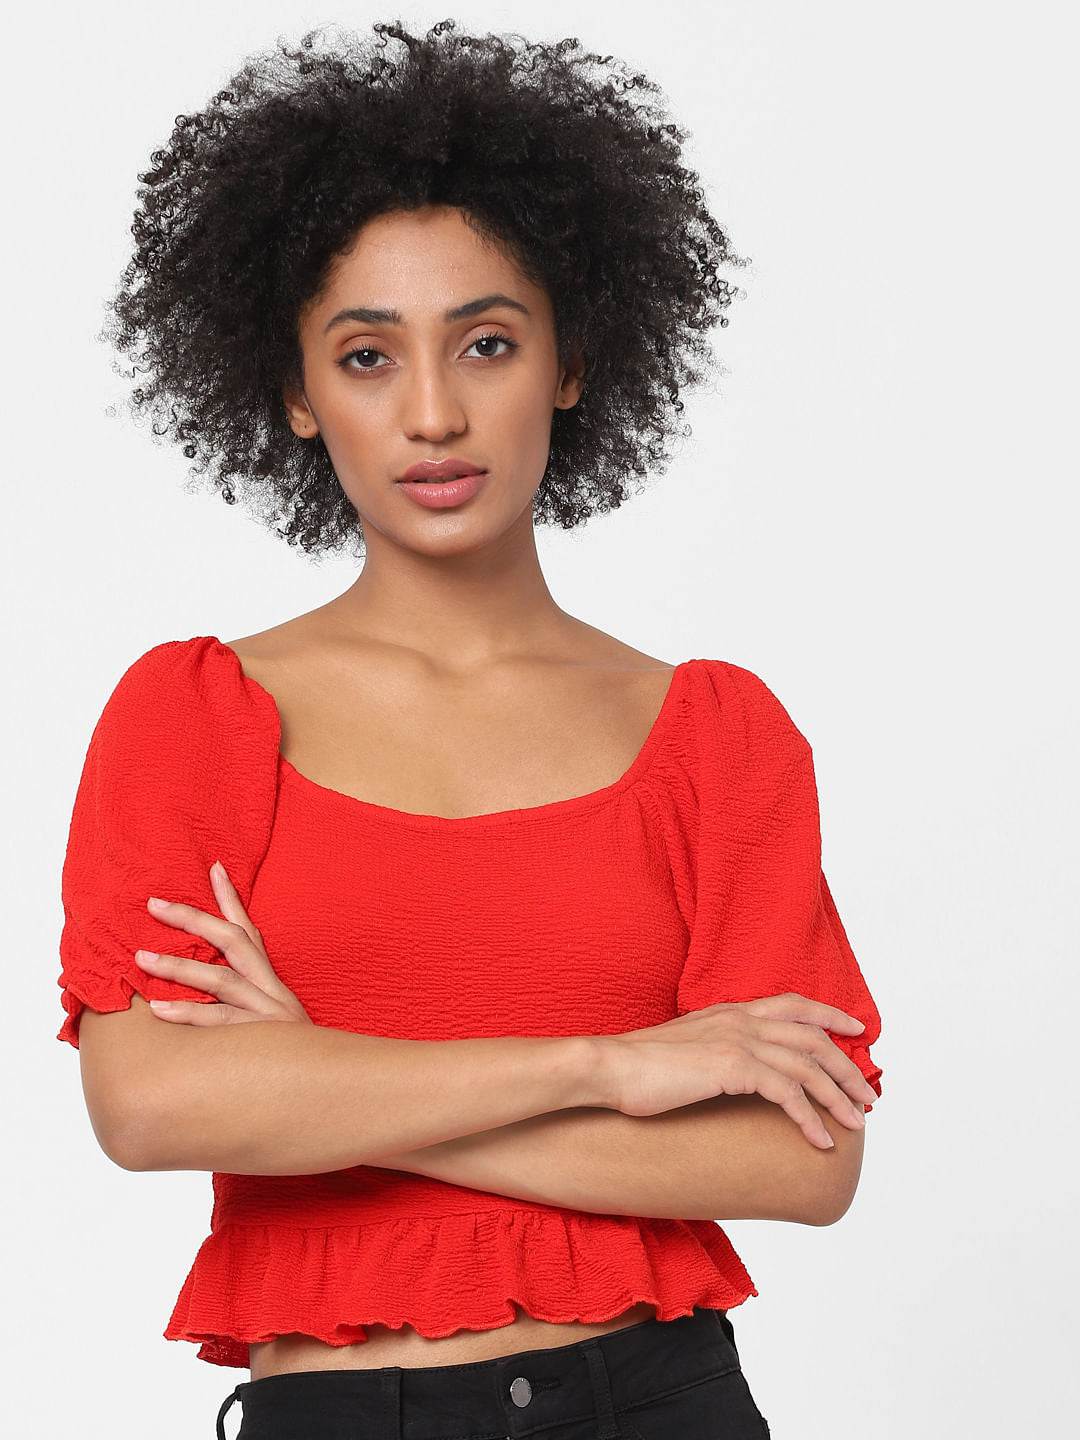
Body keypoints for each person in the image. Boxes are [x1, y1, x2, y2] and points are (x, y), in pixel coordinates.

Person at [56, 19, 883, 1439]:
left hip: (659, 1400)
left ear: (572, 361)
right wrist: (605, 1067)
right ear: (297, 397)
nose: (433, 414)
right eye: (367, 355)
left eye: (486, 343)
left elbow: (802, 1159)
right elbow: (152, 1106)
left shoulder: (709, 736)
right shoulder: (198, 717)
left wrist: (324, 1073)